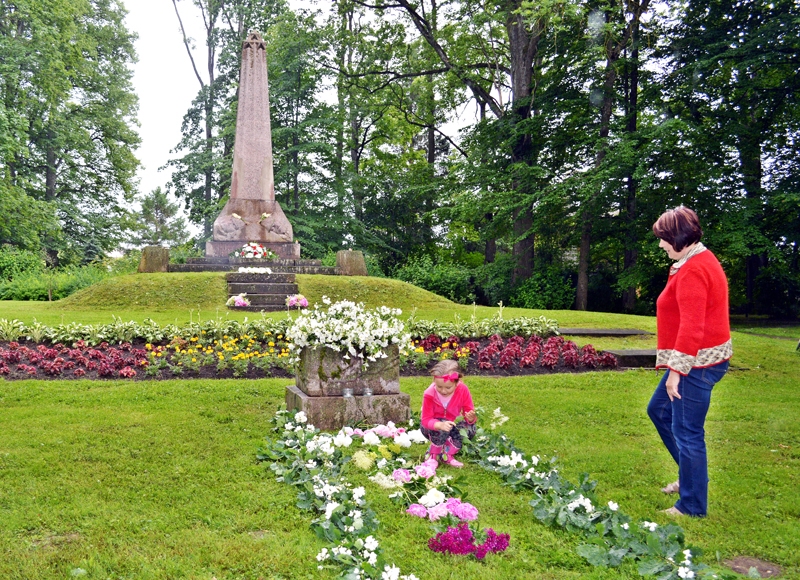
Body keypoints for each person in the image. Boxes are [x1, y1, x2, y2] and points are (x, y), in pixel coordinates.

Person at [647, 205, 732, 517]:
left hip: (697, 364)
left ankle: (692, 505)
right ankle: (690, 479)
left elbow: (692, 327)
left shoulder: (695, 269)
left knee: (687, 431)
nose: (660, 244)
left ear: (679, 238)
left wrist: (675, 372)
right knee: (658, 411)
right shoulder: (691, 260)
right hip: (696, 361)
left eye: (664, 239)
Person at [420, 359, 477, 468]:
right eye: (439, 387)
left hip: (451, 424)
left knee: (470, 429)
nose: (443, 391)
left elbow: (468, 410)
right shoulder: (429, 394)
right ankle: (433, 455)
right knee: (442, 427)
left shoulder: (463, 390)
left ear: (456, 383)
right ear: (434, 381)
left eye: (448, 387)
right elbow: (426, 420)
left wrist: (470, 418)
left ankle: (447, 454)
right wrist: (439, 425)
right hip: (432, 427)